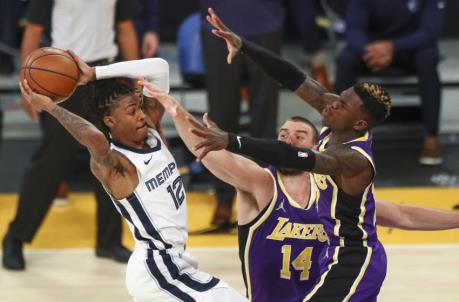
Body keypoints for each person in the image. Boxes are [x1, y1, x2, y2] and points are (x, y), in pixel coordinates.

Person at [142, 81, 459, 302]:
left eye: (299, 135)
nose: (288, 140)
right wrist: (175, 110)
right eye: (282, 134)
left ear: (315, 148)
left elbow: (401, 213)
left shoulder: (333, 193)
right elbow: (209, 151)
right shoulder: (261, 184)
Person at [190, 8, 390, 301]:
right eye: (339, 96)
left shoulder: (354, 160)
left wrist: (231, 141)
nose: (332, 103)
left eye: (342, 105)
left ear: (359, 124)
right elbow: (294, 76)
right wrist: (244, 46)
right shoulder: (337, 121)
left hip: (355, 259)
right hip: (331, 254)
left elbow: (294, 157)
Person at [18, 54, 248, 302]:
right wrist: (51, 107)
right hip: (156, 270)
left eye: (138, 107)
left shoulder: (152, 130)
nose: (140, 114)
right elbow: (94, 139)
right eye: (131, 111)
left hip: (177, 263)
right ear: (110, 121)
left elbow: (159, 68)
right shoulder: (117, 164)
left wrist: (94, 74)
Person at [2, 0, 139, 271]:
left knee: (111, 159)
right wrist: (27, 84)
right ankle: (15, 238)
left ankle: (109, 242)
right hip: (63, 75)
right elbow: (33, 30)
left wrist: (136, 81)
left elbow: (125, 28)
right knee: (51, 162)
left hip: (104, 75)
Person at [200, 0, 285, 229]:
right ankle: (224, 196)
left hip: (266, 21)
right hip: (219, 22)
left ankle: (266, 195)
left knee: (265, 117)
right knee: (221, 116)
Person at [335, 0, 446, 165]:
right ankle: (340, 136)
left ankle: (431, 136)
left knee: (428, 59)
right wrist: (370, 51)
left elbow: (429, 32)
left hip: (411, 47)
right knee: (345, 60)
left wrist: (391, 47)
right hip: (372, 47)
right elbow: (353, 29)